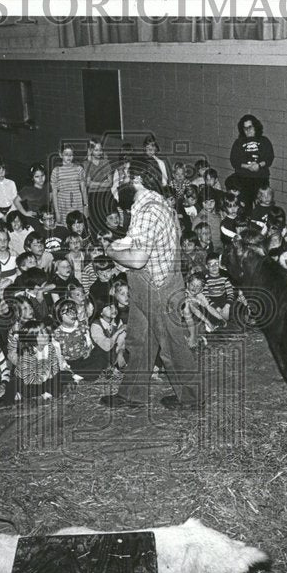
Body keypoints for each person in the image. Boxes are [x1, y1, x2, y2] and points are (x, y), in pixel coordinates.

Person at [100, 164, 199, 410]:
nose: (118, 181)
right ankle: (132, 393)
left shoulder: (148, 210)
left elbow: (137, 259)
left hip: (157, 285)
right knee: (140, 339)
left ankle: (192, 398)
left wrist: (111, 251)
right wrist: (118, 243)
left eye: (122, 176)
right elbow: (137, 240)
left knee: (171, 343)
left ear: (138, 179)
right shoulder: (149, 203)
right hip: (148, 282)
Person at [228, 114, 274, 209]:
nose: (248, 130)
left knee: (262, 205)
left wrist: (259, 165)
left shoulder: (264, 141)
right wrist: (247, 166)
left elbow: (269, 158)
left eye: (250, 127)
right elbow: (234, 161)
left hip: (260, 177)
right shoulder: (238, 142)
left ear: (256, 127)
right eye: (245, 128)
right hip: (243, 178)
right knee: (245, 206)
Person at [50, 144, 87, 224]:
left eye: (71, 155)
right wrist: (57, 212)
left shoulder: (79, 169)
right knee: (65, 227)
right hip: (63, 203)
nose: (69, 157)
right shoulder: (56, 171)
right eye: (66, 154)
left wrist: (85, 207)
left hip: (77, 202)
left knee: (78, 225)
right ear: (60, 155)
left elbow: (83, 190)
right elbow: (54, 193)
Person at [84, 138, 114, 232]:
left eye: (100, 150)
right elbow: (88, 184)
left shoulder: (105, 162)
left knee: (108, 222)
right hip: (93, 197)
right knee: (96, 222)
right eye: (96, 150)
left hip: (106, 195)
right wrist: (102, 183)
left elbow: (110, 183)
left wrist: (95, 183)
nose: (99, 152)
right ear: (90, 150)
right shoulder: (86, 164)